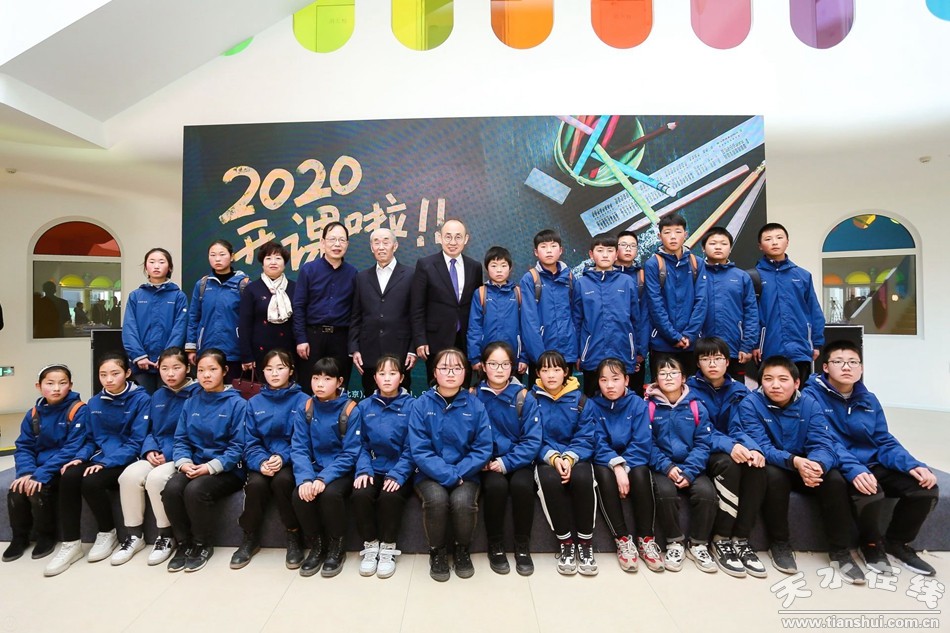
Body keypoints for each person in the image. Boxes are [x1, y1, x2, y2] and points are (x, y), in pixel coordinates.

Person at [803, 340, 939, 576]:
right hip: (838, 465)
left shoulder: (869, 399)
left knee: (924, 488)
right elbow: (824, 441)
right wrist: (855, 469)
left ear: (861, 368)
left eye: (853, 362)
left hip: (872, 463)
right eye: (838, 361)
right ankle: (871, 544)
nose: (847, 367)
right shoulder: (810, 397)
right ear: (825, 367)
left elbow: (883, 440)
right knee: (870, 491)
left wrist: (912, 465)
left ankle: (897, 542)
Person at [736, 355, 865, 584]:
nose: (775, 385)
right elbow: (761, 446)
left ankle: (840, 550)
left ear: (796, 383)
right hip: (777, 463)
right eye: (768, 379)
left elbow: (823, 442)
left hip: (805, 463)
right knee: (773, 477)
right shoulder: (751, 404)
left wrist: (817, 465)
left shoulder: (809, 404)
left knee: (834, 479)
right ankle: (779, 543)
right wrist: (794, 461)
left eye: (783, 379)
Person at [45, 353, 151, 576]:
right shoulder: (94, 402)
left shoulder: (142, 399)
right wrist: (79, 458)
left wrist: (105, 463)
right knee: (69, 475)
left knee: (92, 482)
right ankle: (71, 543)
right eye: (103, 375)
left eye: (115, 373)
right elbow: (90, 439)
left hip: (126, 458)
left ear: (127, 373)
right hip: (100, 457)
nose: (109, 379)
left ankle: (107, 533)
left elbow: (136, 442)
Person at [409, 348, 492, 581]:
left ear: (465, 372)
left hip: (467, 472)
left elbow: (483, 447)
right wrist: (448, 474)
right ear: (434, 372)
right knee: (436, 500)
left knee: (462, 502)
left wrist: (459, 473)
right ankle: (437, 551)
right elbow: (419, 449)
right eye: (444, 368)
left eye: (457, 368)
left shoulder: (475, 405)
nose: (451, 373)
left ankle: (462, 550)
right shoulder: (421, 404)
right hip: (428, 473)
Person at [687, 337, 767, 578]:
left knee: (756, 465)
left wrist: (753, 448)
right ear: (698, 363)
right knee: (728, 464)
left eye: (718, 358)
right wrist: (730, 446)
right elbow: (699, 431)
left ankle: (741, 538)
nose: (712, 364)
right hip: (701, 451)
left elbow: (743, 426)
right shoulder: (689, 390)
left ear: (727, 361)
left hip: (732, 446)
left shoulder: (740, 391)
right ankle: (721, 538)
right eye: (706, 358)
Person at [163, 348, 247, 573]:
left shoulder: (237, 404)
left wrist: (210, 468)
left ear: (225, 371)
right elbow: (181, 439)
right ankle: (184, 543)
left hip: (228, 469)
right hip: (194, 464)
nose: (206, 375)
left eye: (212, 369)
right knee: (171, 489)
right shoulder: (191, 402)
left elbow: (238, 447)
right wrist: (184, 463)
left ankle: (202, 544)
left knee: (195, 490)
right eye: (201, 370)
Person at [114, 347, 199, 566]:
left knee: (156, 479)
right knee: (129, 476)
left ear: (187, 368)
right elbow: (149, 429)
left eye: (176, 368)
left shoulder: (197, 393)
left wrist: (167, 454)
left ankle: (166, 535)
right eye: (164, 368)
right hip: (156, 451)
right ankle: (134, 535)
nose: (170, 374)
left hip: (182, 454)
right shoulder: (158, 395)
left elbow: (193, 433)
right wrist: (149, 450)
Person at [231, 349, 310, 570]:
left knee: (283, 481)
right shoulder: (254, 402)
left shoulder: (304, 401)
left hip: (292, 459)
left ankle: (293, 535)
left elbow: (304, 440)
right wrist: (261, 462)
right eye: (269, 369)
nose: (274, 373)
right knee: (256, 485)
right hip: (262, 460)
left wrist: (282, 457)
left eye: (280, 368)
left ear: (291, 370)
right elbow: (250, 441)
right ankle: (250, 536)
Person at [4, 364, 87, 564]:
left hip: (61, 467)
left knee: (37, 489)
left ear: (70, 385)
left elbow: (72, 448)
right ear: (39, 386)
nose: (56, 388)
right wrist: (26, 472)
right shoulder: (33, 414)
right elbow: (24, 446)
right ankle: (19, 538)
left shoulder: (78, 410)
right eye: (50, 383)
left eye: (62, 383)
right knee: (16, 489)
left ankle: (46, 535)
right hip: (37, 467)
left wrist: (41, 474)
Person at [590, 357, 664, 573]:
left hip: (633, 459)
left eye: (615, 379)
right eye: (604, 380)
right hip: (605, 459)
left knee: (641, 474)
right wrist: (616, 466)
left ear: (626, 380)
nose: (610, 385)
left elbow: (642, 442)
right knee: (604, 475)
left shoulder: (638, 404)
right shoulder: (592, 405)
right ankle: (622, 539)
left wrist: (625, 467)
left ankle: (646, 539)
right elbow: (596, 442)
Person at [474, 341, 541, 576]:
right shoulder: (474, 396)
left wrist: (507, 462)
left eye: (505, 364)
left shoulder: (524, 396)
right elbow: (469, 435)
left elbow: (532, 440)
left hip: (518, 459)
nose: (499, 369)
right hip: (487, 462)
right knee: (496, 487)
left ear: (512, 366)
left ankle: (522, 546)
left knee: (522, 486)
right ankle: (496, 545)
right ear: (483, 366)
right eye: (493, 364)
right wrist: (482, 459)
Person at [645, 356, 718, 573]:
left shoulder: (697, 407)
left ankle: (698, 544)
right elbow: (647, 444)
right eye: (663, 374)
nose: (668, 377)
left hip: (691, 465)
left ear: (683, 378)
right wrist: (667, 467)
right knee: (665, 493)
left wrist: (689, 471)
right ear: (656, 380)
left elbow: (703, 444)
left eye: (673, 373)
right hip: (662, 466)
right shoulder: (648, 407)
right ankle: (674, 542)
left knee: (706, 493)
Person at [290, 357, 361, 578]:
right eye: (315, 378)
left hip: (341, 470)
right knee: (300, 494)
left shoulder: (350, 409)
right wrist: (306, 478)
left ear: (339, 382)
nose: (320, 384)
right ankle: (317, 546)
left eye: (327, 379)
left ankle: (336, 547)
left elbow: (351, 453)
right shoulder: (306, 407)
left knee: (330, 495)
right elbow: (299, 447)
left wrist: (324, 478)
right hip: (313, 468)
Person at [532, 350, 598, 576]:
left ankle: (586, 543)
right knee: (549, 480)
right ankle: (566, 543)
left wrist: (569, 457)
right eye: (545, 370)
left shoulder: (581, 400)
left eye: (556, 369)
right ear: (538, 373)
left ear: (566, 372)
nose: (551, 375)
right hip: (545, 457)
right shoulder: (531, 400)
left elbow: (586, 437)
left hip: (576, 456)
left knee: (583, 477)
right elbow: (531, 437)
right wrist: (552, 457)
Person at [352, 355, 416, 579]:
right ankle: (370, 546)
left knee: (390, 496)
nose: (387, 378)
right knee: (360, 493)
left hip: (401, 469)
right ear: (375, 378)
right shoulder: (364, 406)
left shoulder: (412, 406)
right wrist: (364, 469)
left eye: (392, 373)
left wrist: (398, 474)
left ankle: (388, 548)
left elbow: (413, 447)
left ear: (402, 378)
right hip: (373, 467)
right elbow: (359, 444)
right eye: (382, 373)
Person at [411, 219, 482, 385]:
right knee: (436, 388)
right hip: (435, 339)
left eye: (458, 237)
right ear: (440, 237)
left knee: (463, 387)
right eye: (448, 236)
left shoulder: (474, 267)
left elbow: (477, 306)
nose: (453, 242)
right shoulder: (425, 265)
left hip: (465, 339)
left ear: (466, 239)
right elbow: (417, 307)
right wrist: (420, 339)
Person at [573, 234, 646, 397]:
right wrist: (577, 354)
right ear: (591, 254)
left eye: (610, 250)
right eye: (600, 250)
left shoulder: (627, 282)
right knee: (593, 401)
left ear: (616, 254)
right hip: (592, 354)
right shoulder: (582, 284)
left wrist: (638, 350)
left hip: (623, 352)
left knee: (624, 401)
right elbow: (576, 321)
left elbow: (636, 319)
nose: (605, 255)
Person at [751, 223, 825, 381]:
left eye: (779, 237)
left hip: (800, 347)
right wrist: (754, 344)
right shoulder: (752, 277)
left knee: (800, 391)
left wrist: (816, 343)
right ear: (760, 246)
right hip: (767, 348)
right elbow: (749, 314)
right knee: (770, 391)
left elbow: (814, 310)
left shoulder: (803, 275)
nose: (774, 242)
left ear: (787, 242)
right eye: (768, 239)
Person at [293, 222, 358, 394]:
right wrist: (301, 339)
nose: (337, 244)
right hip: (312, 338)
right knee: (309, 386)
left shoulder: (353, 273)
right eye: (332, 239)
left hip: (341, 339)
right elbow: (298, 306)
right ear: (322, 242)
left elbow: (356, 312)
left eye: (342, 240)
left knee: (339, 386)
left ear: (347, 244)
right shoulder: (309, 270)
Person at [349, 228, 415, 396]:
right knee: (370, 398)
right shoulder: (362, 277)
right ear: (371, 247)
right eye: (376, 243)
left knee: (401, 400)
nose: (381, 247)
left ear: (395, 245)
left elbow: (416, 315)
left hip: (400, 352)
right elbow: (356, 316)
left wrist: (413, 349)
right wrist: (354, 348)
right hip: (369, 352)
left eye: (386, 242)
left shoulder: (411, 275)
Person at [643, 214, 708, 377]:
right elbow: (655, 304)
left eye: (678, 232)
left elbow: (701, 301)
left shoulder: (696, 262)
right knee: (662, 386)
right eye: (667, 232)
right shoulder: (653, 264)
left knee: (692, 387)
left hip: (691, 343)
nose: (673, 237)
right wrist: (674, 337)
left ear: (685, 234)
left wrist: (689, 335)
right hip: (662, 343)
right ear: (659, 236)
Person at [123, 247, 189, 394]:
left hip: (169, 365)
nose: (156, 266)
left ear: (169, 267)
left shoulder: (178, 296)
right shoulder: (136, 296)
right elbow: (129, 328)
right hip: (141, 364)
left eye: (161, 262)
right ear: (146, 267)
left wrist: (167, 358)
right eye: (152, 262)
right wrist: (139, 356)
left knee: (167, 401)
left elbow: (180, 329)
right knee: (143, 402)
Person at [185, 240, 249, 383]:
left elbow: (249, 321)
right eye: (213, 255)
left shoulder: (243, 284)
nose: (217, 259)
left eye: (222, 254)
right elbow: (194, 317)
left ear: (232, 257)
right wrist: (191, 348)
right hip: (206, 349)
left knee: (232, 391)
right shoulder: (202, 284)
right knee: (208, 389)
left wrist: (247, 352)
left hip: (234, 351)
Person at [699, 227, 758, 380]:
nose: (718, 247)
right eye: (713, 243)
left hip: (734, 349)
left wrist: (747, 346)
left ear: (730, 248)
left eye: (723, 243)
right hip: (701, 349)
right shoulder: (695, 275)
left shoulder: (741, 277)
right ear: (703, 248)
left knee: (735, 391)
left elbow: (751, 313)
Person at [520, 229, 578, 384]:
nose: (549, 251)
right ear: (536, 252)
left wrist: (575, 352)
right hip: (541, 354)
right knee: (540, 396)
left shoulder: (569, 277)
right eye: (543, 246)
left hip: (567, 353)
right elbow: (529, 321)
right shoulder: (530, 279)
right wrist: (540, 357)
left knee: (566, 394)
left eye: (553, 246)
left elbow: (576, 315)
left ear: (561, 250)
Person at [467, 246, 526, 377]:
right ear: (487, 268)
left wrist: (524, 357)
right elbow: (474, 328)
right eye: (494, 265)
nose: (499, 270)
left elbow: (525, 328)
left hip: (513, 358)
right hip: (487, 358)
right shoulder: (481, 293)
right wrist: (475, 358)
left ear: (510, 268)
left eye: (503, 265)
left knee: (513, 388)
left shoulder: (518, 293)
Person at [239, 241, 297, 373]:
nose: (273, 262)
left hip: (288, 350)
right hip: (260, 351)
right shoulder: (252, 289)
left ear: (285, 263)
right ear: (262, 263)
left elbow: (299, 321)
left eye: (278, 258)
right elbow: (244, 325)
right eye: (268, 258)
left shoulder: (295, 288)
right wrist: (246, 355)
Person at [615, 229, 647, 394]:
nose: (628, 249)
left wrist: (641, 351)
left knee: (634, 395)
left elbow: (645, 317)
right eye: (624, 245)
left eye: (632, 246)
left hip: (634, 348)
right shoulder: (605, 274)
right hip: (609, 347)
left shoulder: (641, 276)